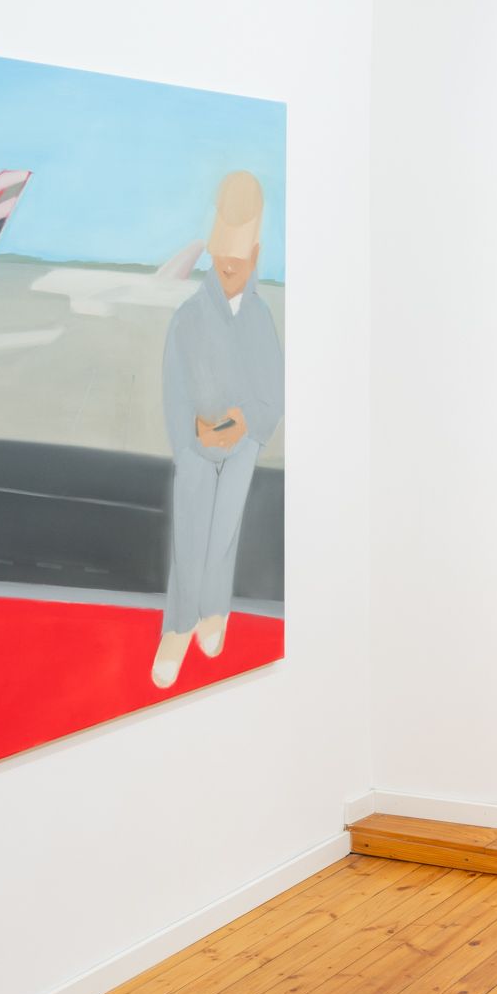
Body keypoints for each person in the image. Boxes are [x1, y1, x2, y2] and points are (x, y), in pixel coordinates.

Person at [153, 170, 286, 688]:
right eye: (222, 259)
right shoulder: (188, 318)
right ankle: (177, 628)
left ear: (254, 257)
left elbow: (273, 389)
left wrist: (248, 420)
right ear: (212, 253)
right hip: (197, 444)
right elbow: (173, 390)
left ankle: (214, 613)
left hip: (243, 444)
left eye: (239, 261)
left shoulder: (260, 319)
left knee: (225, 532)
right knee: (190, 532)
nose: (230, 269)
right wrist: (194, 429)